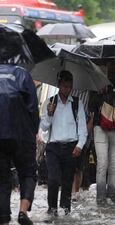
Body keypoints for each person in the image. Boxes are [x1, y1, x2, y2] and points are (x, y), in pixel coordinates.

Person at [0, 31, 39, 225]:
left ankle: (4, 219)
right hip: (22, 135)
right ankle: (23, 212)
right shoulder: (22, 74)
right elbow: (33, 109)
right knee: (28, 172)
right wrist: (34, 132)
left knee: (2, 179)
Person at [40, 71, 87, 216]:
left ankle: (66, 211)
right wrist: (49, 114)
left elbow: (83, 129)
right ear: (59, 85)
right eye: (65, 86)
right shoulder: (50, 102)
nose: (67, 89)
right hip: (53, 147)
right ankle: (52, 209)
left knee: (67, 182)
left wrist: (79, 145)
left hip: (71, 147)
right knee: (53, 179)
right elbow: (44, 128)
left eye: (70, 86)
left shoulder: (77, 103)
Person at [88, 63, 115, 206]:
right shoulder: (97, 82)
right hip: (100, 127)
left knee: (114, 166)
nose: (112, 66)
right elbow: (91, 106)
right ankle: (100, 200)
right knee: (102, 164)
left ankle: (111, 199)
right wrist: (101, 93)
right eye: (109, 62)